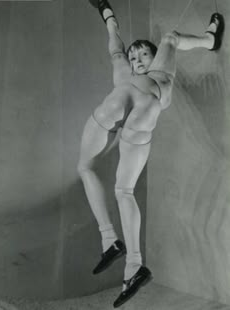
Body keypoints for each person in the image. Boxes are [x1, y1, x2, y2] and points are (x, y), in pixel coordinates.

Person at [77, 0, 224, 307]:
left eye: (144, 52)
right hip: (137, 119)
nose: (137, 57)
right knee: (116, 186)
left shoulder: (158, 71)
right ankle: (127, 258)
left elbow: (169, 39)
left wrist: (211, 37)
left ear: (154, 56)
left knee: (101, 173)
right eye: (134, 56)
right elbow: (116, 47)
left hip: (136, 104)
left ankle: (115, 246)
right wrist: (107, 14)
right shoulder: (125, 71)